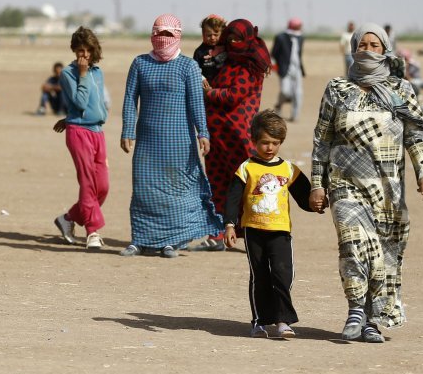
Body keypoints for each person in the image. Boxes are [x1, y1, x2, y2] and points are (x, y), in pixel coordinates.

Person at [310, 23, 423, 343]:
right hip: (344, 181)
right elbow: (322, 138)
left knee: (380, 253)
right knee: (353, 242)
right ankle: (355, 309)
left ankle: (370, 318)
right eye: (362, 44)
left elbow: (416, 135)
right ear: (353, 49)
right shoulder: (337, 88)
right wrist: (317, 182)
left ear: (385, 49)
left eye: (374, 45)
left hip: (387, 188)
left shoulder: (401, 90)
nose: (368, 49)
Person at [120, 14, 222, 258]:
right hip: (147, 143)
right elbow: (129, 99)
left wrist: (203, 134)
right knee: (144, 191)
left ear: (177, 36)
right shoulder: (140, 63)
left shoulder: (188, 66)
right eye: (159, 33)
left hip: (179, 144)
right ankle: (140, 240)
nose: (162, 38)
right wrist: (127, 130)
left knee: (177, 193)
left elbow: (197, 104)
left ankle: (171, 241)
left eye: (168, 34)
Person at [224, 110, 317, 338]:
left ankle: (283, 321)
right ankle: (259, 322)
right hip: (254, 232)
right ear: (254, 141)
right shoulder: (246, 168)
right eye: (265, 143)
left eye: (275, 143)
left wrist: (316, 203)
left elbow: (305, 197)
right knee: (259, 277)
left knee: (282, 274)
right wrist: (229, 225)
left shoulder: (288, 169)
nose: (270, 148)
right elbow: (232, 199)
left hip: (280, 231)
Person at [197, 18, 271, 251]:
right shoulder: (226, 61)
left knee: (246, 187)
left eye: (239, 39)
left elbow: (233, 96)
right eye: (230, 39)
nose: (234, 43)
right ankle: (218, 233)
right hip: (217, 136)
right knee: (218, 184)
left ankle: (253, 235)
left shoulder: (251, 66)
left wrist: (209, 92)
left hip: (239, 137)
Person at [52, 27, 109, 250]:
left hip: (98, 132)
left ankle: (67, 218)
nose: (82, 56)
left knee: (102, 186)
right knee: (87, 183)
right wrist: (82, 75)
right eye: (79, 51)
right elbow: (81, 102)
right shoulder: (68, 74)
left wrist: (68, 117)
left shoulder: (99, 72)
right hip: (79, 133)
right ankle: (92, 232)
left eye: (86, 51)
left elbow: (96, 105)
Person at [271, 17, 305, 122]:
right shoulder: (280, 37)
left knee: (298, 93)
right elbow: (273, 54)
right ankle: (279, 105)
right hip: (284, 69)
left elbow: (299, 54)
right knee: (285, 92)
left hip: (297, 69)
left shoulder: (301, 37)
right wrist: (275, 67)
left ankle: (295, 116)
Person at [192, 13, 227, 87]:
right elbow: (194, 70)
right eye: (209, 35)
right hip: (207, 88)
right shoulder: (199, 52)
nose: (212, 38)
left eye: (216, 35)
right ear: (203, 34)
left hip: (223, 87)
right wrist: (201, 78)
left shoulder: (226, 49)